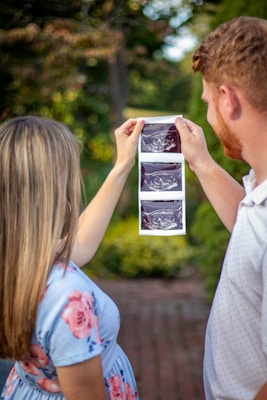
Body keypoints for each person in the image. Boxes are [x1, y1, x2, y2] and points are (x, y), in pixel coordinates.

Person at [0, 115, 144, 400]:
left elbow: (81, 244)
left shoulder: (18, 257)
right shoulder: (67, 297)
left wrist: (122, 166)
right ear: (52, 190)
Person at [175, 16, 267, 400]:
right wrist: (201, 162)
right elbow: (250, 230)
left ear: (228, 100)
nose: (208, 116)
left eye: (208, 102)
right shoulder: (260, 192)